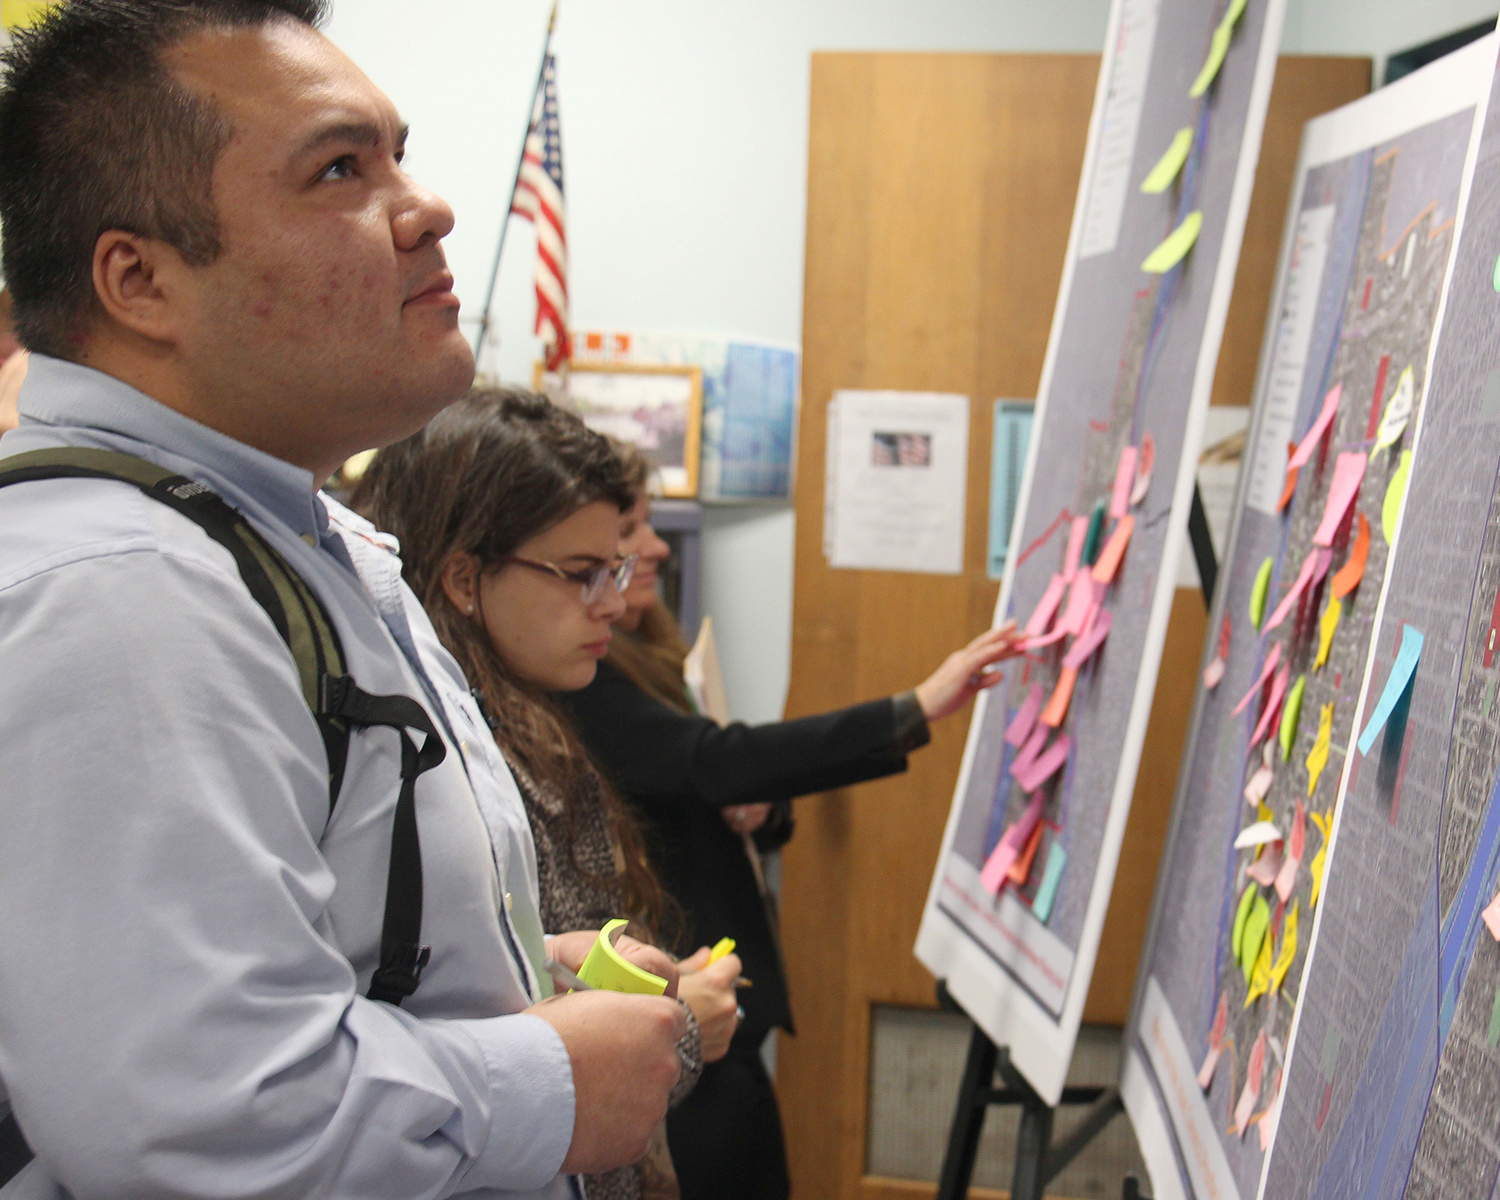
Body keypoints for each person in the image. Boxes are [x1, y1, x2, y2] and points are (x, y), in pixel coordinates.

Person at [0, 4, 686, 1197]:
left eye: (397, 153)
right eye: (338, 170)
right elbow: (211, 1129)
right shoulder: (123, 598)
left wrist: (521, 978)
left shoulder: (284, 537)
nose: (426, 208)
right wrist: (545, 1082)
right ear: (140, 280)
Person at [557, 450, 1024, 1200]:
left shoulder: (649, 654)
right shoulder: (586, 680)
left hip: (723, 1002)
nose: (652, 548)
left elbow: (720, 789)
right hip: (684, 1014)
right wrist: (912, 709)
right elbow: (710, 762)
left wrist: (766, 807)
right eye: (631, 530)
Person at [354, 388, 746, 1200]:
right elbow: (532, 1060)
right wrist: (680, 1030)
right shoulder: (465, 753)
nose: (611, 602)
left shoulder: (524, 716)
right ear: (464, 577)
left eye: (617, 569)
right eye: (580, 575)